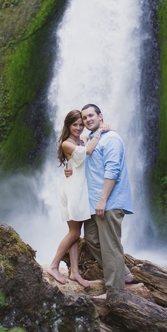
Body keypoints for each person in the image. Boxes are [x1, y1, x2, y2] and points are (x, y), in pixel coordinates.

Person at [45, 110, 110, 287]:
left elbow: (81, 159)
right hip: (74, 190)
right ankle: (53, 265)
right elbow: (87, 152)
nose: (79, 127)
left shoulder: (82, 140)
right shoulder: (67, 143)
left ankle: (74, 272)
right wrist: (99, 131)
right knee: (74, 232)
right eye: (75, 124)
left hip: (81, 190)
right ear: (68, 126)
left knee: (77, 233)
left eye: (81, 124)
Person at [80, 104, 133, 295]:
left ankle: (116, 292)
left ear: (100, 116)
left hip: (109, 202)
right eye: (84, 118)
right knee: (91, 239)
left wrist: (103, 200)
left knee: (110, 246)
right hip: (95, 203)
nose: (88, 120)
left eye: (91, 115)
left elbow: (113, 171)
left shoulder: (111, 138)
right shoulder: (93, 140)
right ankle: (123, 272)